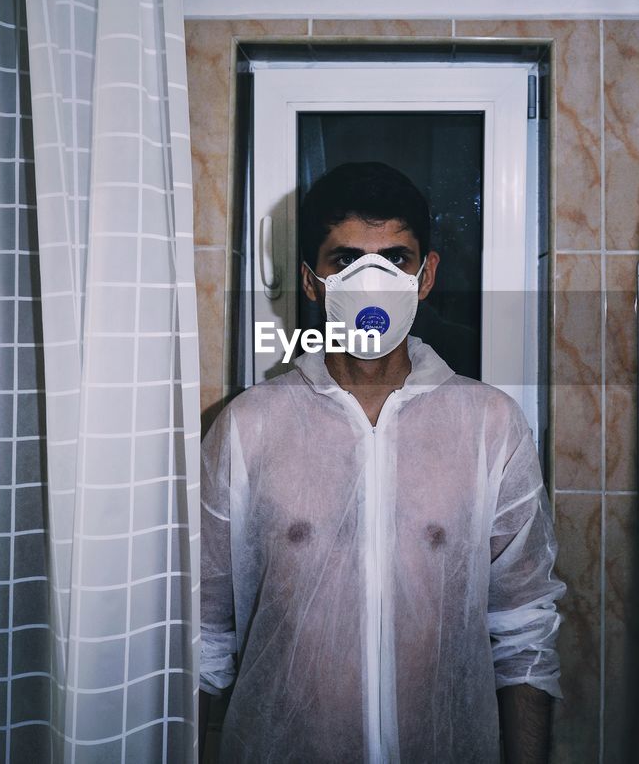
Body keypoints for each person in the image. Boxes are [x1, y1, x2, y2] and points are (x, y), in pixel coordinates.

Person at [198, 162, 565, 762]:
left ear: (426, 277)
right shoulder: (248, 426)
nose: (372, 281)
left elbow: (525, 630)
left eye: (394, 259)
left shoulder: (489, 426)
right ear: (312, 281)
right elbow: (202, 635)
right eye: (347, 261)